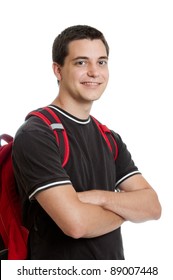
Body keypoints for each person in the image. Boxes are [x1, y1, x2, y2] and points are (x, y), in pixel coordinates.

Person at [12, 25, 161, 260]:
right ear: (58, 70)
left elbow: (152, 207)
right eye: (81, 62)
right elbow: (76, 225)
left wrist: (98, 197)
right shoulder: (37, 134)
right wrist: (127, 211)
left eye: (101, 62)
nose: (94, 72)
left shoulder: (109, 137)